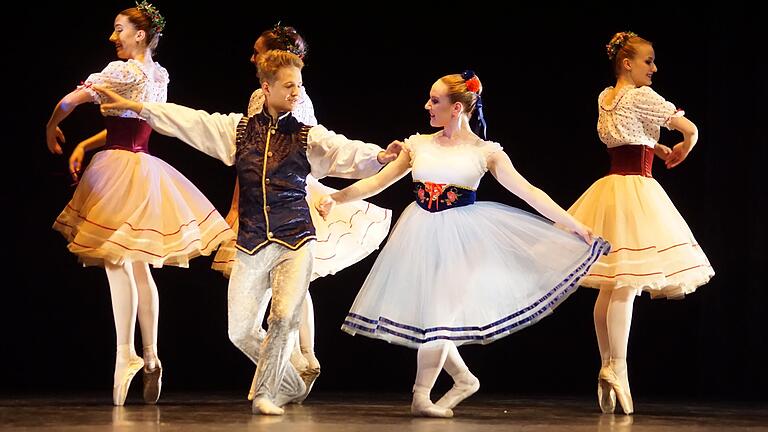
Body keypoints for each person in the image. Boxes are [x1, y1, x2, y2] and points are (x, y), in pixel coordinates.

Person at [94, 50, 403, 415]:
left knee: (284, 316)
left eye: (299, 86)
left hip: (296, 240)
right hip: (253, 242)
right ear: (266, 87)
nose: (296, 93)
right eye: (289, 86)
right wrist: (137, 107)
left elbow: (342, 150)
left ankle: (267, 394)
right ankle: (288, 382)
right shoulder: (237, 130)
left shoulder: (307, 137)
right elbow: (190, 121)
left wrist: (379, 157)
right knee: (239, 331)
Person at [316, 70, 611, 418]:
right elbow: (376, 183)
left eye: (435, 101)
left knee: (439, 315)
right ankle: (464, 378)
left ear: (457, 108)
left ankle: (421, 395)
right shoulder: (418, 145)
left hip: (464, 239)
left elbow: (530, 193)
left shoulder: (485, 153)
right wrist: (337, 197)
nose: (427, 105)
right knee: (434, 317)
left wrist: (575, 226)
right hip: (420, 232)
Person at [45, 2, 233, 406]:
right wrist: (84, 142)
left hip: (117, 172)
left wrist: (52, 125)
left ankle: (124, 355)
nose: (113, 37)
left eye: (119, 30)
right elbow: (135, 121)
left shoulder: (121, 71)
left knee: (115, 259)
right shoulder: (157, 74)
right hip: (144, 166)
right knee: (140, 265)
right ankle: (151, 355)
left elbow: (71, 101)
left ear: (140, 35)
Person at [210, 25, 397, 401]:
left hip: (286, 193)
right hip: (300, 185)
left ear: (271, 59)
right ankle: (301, 356)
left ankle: (290, 361)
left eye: (257, 51)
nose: (251, 57)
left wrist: (237, 207)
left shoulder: (266, 98)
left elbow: (255, 159)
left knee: (276, 289)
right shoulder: (301, 93)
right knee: (295, 283)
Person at [567, 32, 715, 415]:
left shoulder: (606, 97)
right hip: (637, 192)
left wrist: (656, 147)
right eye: (648, 61)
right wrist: (684, 145)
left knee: (609, 284)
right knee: (628, 282)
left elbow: (627, 139)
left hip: (610, 187)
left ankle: (606, 364)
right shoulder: (641, 96)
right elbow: (691, 128)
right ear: (627, 63)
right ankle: (619, 369)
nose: (654, 68)